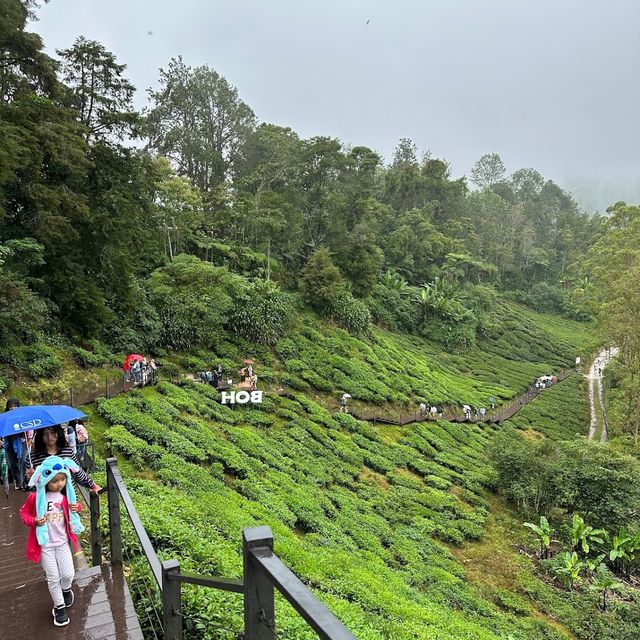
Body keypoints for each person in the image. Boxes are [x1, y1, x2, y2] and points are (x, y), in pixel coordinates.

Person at [20, 456, 84, 627]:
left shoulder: (64, 497)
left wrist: (76, 507)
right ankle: (59, 607)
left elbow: (77, 508)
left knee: (68, 574)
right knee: (53, 577)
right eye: (55, 480)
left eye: (63, 479)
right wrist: (33, 520)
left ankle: (66, 589)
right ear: (47, 479)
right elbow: (23, 514)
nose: (60, 484)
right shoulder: (35, 498)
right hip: (45, 545)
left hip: (63, 543)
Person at [25, 426, 101, 494]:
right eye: (45, 434)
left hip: (69, 500)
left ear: (58, 432)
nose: (49, 437)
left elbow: (78, 472)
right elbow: (29, 488)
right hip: (45, 504)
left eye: (52, 433)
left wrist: (93, 486)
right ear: (40, 436)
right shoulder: (33, 457)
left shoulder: (67, 452)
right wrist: (28, 478)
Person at [3, 398, 27, 490]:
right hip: (9, 443)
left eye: (15, 406)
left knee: (23, 462)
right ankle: (18, 480)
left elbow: (29, 428)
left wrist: (29, 439)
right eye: (11, 407)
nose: (13, 408)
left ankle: (22, 482)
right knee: (13, 464)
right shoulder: (5, 418)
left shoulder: (22, 417)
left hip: (22, 443)